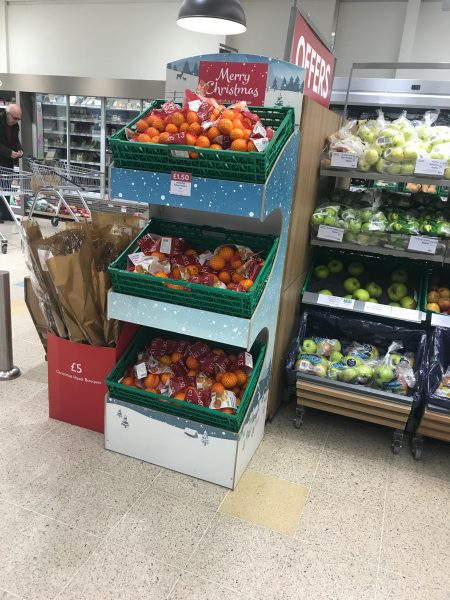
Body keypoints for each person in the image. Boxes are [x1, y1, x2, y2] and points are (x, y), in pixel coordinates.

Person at [0, 104, 23, 221]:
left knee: (7, 188)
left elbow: (15, 140)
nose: (16, 121)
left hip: (7, 162)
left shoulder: (15, 125)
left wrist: (20, 150)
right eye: (15, 118)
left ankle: (6, 213)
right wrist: (9, 152)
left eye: (19, 119)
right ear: (8, 115)